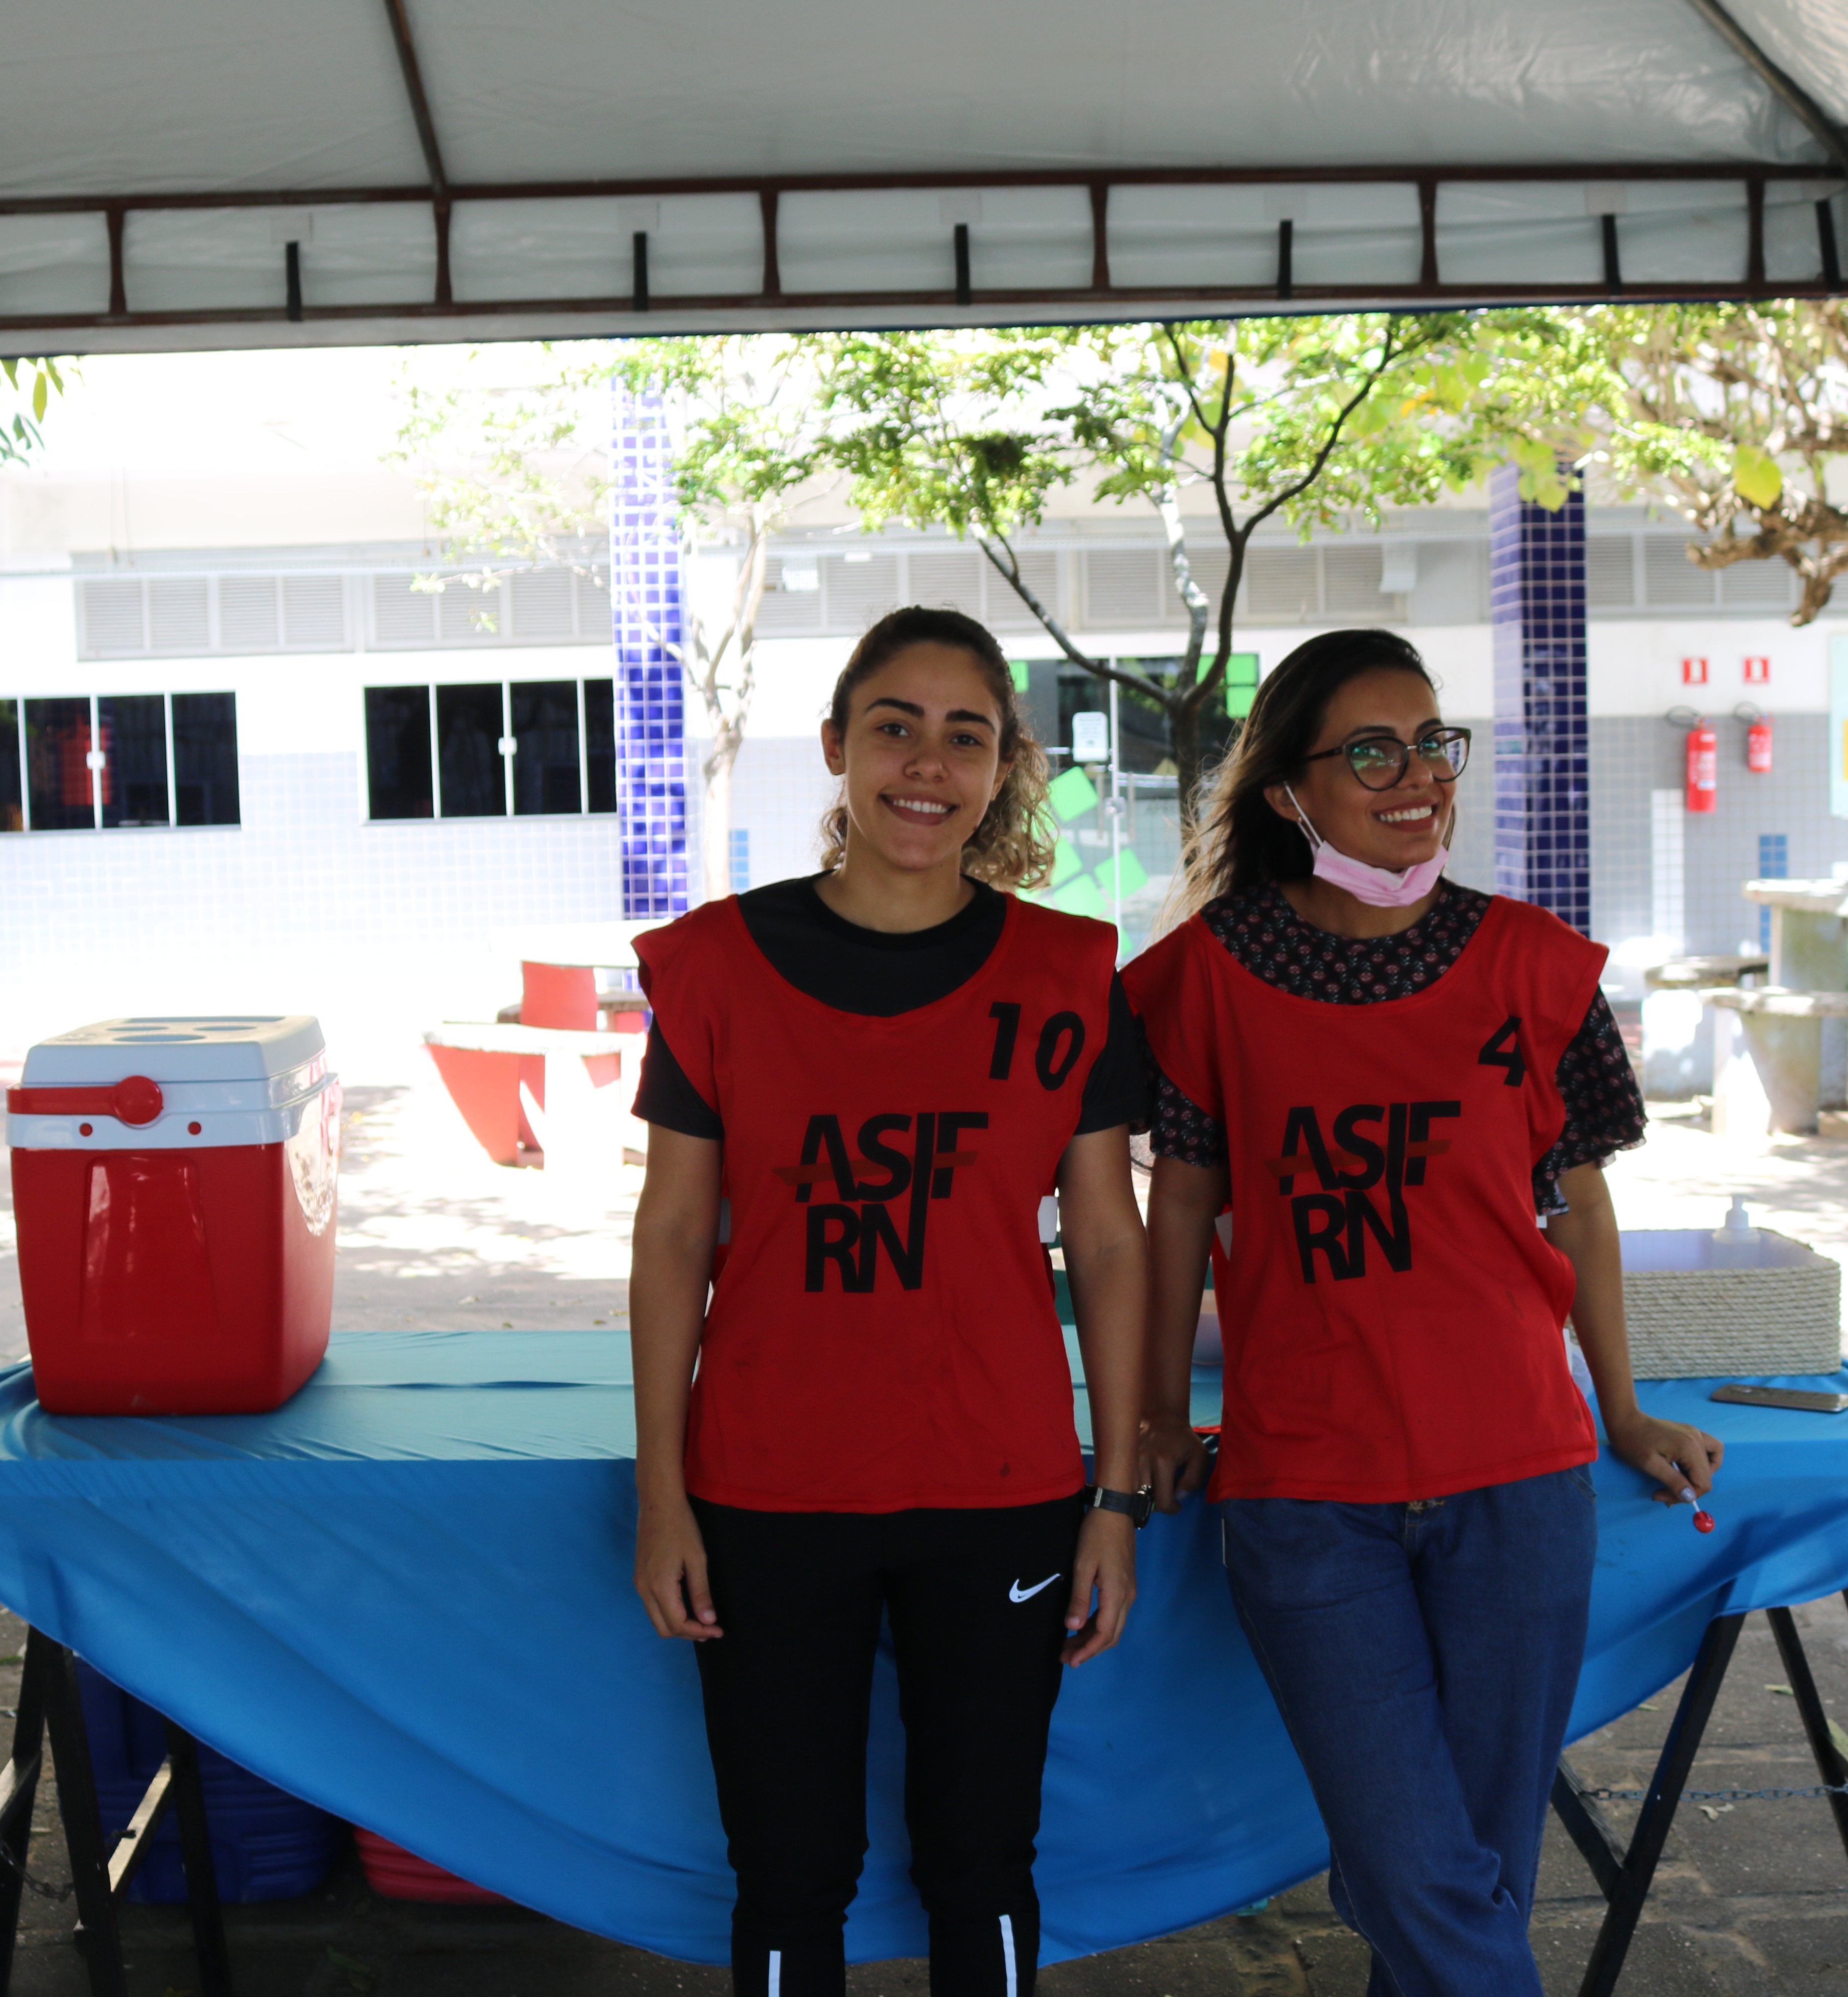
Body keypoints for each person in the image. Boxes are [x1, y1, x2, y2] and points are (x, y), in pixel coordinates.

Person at [1123, 629, 1719, 1997]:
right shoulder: (1205, 977)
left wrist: (1623, 1410)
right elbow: (1178, 1215)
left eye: (1433, 745)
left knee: (1479, 1861)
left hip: (1520, 1476)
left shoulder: (1538, 967)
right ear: (1291, 790)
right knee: (1407, 1865)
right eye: (1373, 752)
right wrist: (1152, 1414)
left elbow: (1578, 1210)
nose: (1419, 778)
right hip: (1305, 1484)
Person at [626, 605, 1154, 1997]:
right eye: (895, 728)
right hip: (765, 1487)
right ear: (836, 748)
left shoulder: (1069, 974)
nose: (928, 764)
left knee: (983, 1860)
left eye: (966, 736)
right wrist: (662, 1495)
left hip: (1001, 1489)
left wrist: (1114, 1498)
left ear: (1003, 767)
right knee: (788, 1868)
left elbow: (1109, 1244)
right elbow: (673, 1236)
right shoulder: (714, 967)